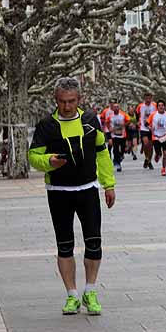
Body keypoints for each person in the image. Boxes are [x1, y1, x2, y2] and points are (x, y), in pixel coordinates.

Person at [27, 77, 116, 316]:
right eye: (62, 101)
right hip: (59, 192)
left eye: (71, 101)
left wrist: (109, 185)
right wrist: (49, 162)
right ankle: (72, 295)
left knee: (93, 241)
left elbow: (102, 153)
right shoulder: (46, 125)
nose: (67, 106)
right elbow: (33, 156)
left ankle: (90, 290)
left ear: (79, 99)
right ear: (55, 100)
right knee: (64, 245)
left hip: (88, 189)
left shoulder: (89, 121)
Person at [147, 100, 166, 177]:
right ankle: (157, 155)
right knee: (159, 153)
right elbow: (147, 123)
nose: (161, 107)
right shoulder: (153, 115)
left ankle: (163, 169)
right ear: (157, 107)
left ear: (164, 107)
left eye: (162, 105)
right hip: (155, 137)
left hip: (165, 136)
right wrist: (150, 128)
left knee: (165, 154)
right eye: (159, 105)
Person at [104, 102, 130, 172]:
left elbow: (129, 120)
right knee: (115, 149)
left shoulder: (123, 114)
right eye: (114, 107)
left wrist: (124, 125)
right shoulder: (110, 116)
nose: (116, 108)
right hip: (114, 135)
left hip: (122, 135)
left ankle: (120, 157)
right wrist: (110, 129)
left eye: (117, 107)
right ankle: (117, 163)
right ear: (113, 108)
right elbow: (106, 122)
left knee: (123, 149)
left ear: (119, 108)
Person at [135, 93, 156, 170]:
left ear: (151, 98)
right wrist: (137, 121)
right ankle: (147, 158)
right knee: (146, 143)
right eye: (146, 98)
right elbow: (137, 114)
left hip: (152, 128)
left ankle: (149, 161)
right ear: (144, 98)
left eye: (149, 98)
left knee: (150, 146)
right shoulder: (140, 106)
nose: (148, 100)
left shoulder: (155, 105)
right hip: (143, 127)